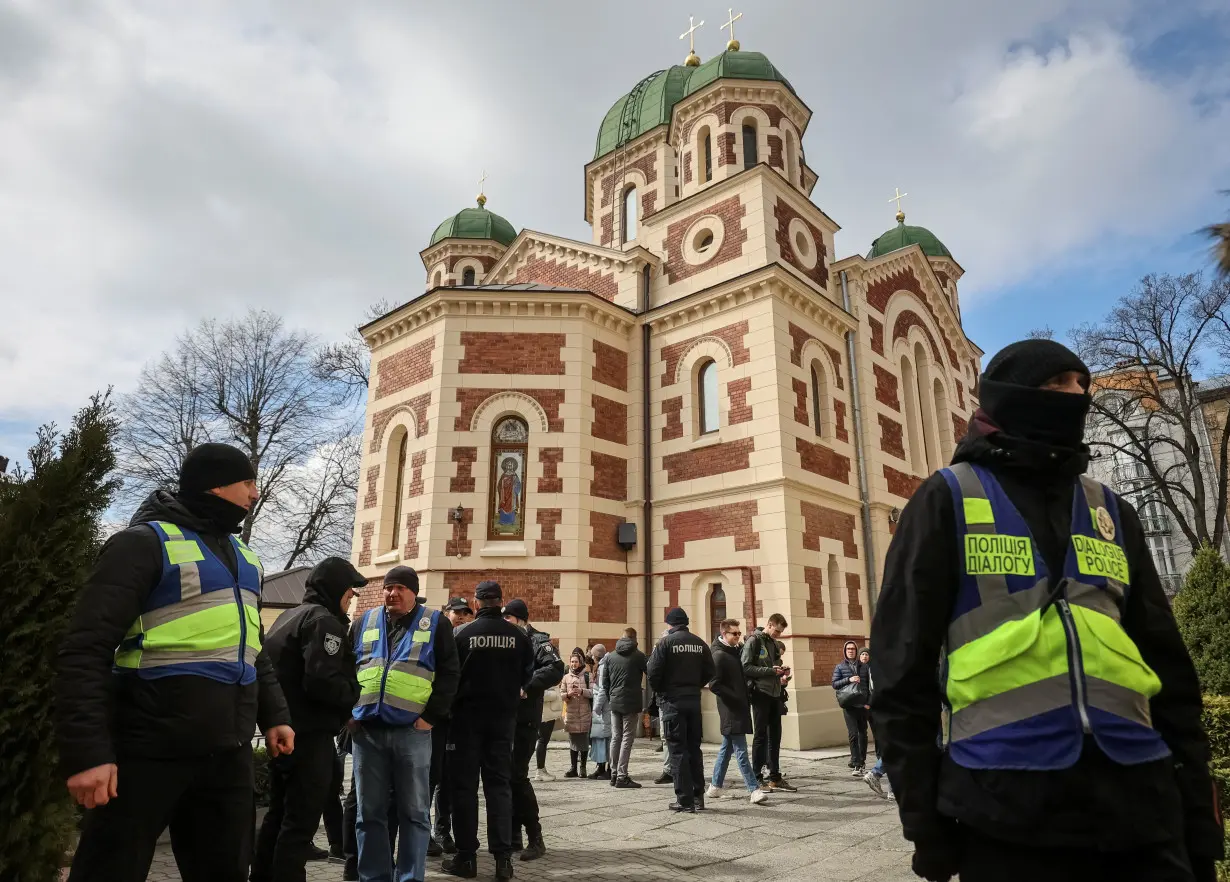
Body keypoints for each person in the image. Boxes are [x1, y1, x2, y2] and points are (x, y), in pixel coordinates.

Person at [871, 339, 1224, 882]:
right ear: (1011, 396)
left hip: (1140, 799)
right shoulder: (946, 499)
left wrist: (1199, 814)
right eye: (1059, 384)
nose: (1077, 395)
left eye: (1081, 385)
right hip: (1006, 806)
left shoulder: (1110, 509)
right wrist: (926, 823)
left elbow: (1169, 670)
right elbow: (900, 673)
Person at [56, 443, 294, 882]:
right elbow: (83, 651)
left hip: (227, 753)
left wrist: (276, 715)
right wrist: (88, 754)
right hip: (146, 752)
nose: (255, 493)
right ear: (217, 485)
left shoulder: (245, 558)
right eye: (248, 482)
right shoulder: (141, 545)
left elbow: (249, 648)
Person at [253, 557, 366, 882]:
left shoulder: (291, 615)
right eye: (349, 590)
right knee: (299, 823)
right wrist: (352, 694)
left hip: (283, 731)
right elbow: (323, 681)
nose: (351, 597)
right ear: (334, 588)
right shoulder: (324, 622)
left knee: (277, 816)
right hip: (309, 735)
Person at [350, 566, 460, 882]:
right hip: (367, 732)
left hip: (412, 732)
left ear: (413, 592)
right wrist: (348, 713)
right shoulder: (364, 622)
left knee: (414, 814)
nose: (392, 593)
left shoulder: (435, 623)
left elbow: (450, 674)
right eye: (388, 587)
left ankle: (410, 877)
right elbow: (345, 667)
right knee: (368, 814)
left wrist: (430, 718)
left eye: (399, 587)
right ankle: (373, 877)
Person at [444, 581, 534, 881]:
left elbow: (450, 676)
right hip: (503, 722)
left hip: (466, 722)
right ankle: (503, 860)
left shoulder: (461, 634)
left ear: (476, 602)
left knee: (464, 789)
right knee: (499, 788)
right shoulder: (519, 637)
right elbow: (526, 677)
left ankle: (466, 857)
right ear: (501, 602)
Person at [501, 597, 564, 862]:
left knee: (517, 776)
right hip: (504, 718)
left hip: (525, 719)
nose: (504, 623)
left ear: (520, 619)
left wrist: (527, 686)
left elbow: (555, 668)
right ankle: (513, 834)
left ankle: (535, 837)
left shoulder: (538, 641)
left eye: (509, 618)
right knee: (504, 777)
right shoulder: (505, 641)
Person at [646, 608, 715, 813]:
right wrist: (694, 685)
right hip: (694, 700)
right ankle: (697, 798)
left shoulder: (665, 643)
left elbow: (653, 673)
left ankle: (684, 800)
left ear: (670, 624)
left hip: (672, 702)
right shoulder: (699, 643)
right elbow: (710, 671)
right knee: (694, 749)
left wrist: (664, 691)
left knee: (677, 750)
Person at [706, 619, 769, 806]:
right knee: (741, 751)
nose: (738, 636)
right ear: (724, 634)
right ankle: (753, 789)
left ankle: (715, 786)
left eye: (739, 633)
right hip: (730, 709)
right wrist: (735, 697)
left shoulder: (733, 651)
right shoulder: (718, 655)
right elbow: (714, 685)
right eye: (734, 633)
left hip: (738, 706)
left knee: (727, 749)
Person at [429, 597, 473, 857]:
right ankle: (427, 832)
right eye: (456, 612)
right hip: (435, 718)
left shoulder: (463, 641)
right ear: (446, 612)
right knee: (431, 777)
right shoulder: (434, 636)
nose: (460, 616)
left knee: (447, 779)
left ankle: (441, 831)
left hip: (456, 719)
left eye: (465, 613)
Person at [742, 613, 797, 792]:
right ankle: (757, 777)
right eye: (777, 631)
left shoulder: (773, 643)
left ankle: (774, 776)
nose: (778, 635)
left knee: (775, 736)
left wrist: (782, 672)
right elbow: (745, 667)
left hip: (775, 693)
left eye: (780, 633)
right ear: (769, 624)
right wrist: (769, 671)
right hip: (760, 693)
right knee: (761, 736)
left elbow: (775, 665)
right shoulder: (754, 641)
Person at [603, 627, 648, 789]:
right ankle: (622, 775)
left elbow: (604, 682)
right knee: (627, 738)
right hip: (631, 702)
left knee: (616, 737)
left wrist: (611, 697)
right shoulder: (639, 656)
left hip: (614, 701)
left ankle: (613, 773)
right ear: (635, 639)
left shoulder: (610, 656)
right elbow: (651, 672)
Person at [832, 640, 868, 774]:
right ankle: (856, 762)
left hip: (863, 704)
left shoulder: (864, 667)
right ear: (845, 651)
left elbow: (869, 686)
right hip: (849, 705)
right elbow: (835, 684)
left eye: (853, 649)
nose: (851, 651)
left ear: (856, 651)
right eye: (848, 649)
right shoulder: (840, 667)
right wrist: (849, 679)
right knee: (853, 734)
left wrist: (868, 702)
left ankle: (862, 761)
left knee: (863, 734)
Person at [560, 648, 594, 778]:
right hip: (571, 713)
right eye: (572, 661)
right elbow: (561, 694)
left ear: (580, 662)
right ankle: (573, 768)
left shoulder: (587, 675)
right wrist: (568, 694)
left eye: (576, 661)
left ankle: (583, 768)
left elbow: (592, 693)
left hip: (584, 712)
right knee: (573, 741)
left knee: (584, 741)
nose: (574, 664)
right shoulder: (566, 677)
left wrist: (581, 691)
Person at [588, 644, 612, 780]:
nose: (591, 657)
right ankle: (600, 767)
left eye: (592, 654)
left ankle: (607, 769)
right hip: (600, 707)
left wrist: (597, 707)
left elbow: (603, 689)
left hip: (603, 708)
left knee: (605, 738)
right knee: (599, 739)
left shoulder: (603, 667)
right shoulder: (601, 665)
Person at [536, 685, 562, 782]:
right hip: (545, 715)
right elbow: (542, 695)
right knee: (542, 740)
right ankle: (540, 771)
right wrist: (555, 694)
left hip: (549, 714)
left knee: (544, 741)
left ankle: (541, 769)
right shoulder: (543, 676)